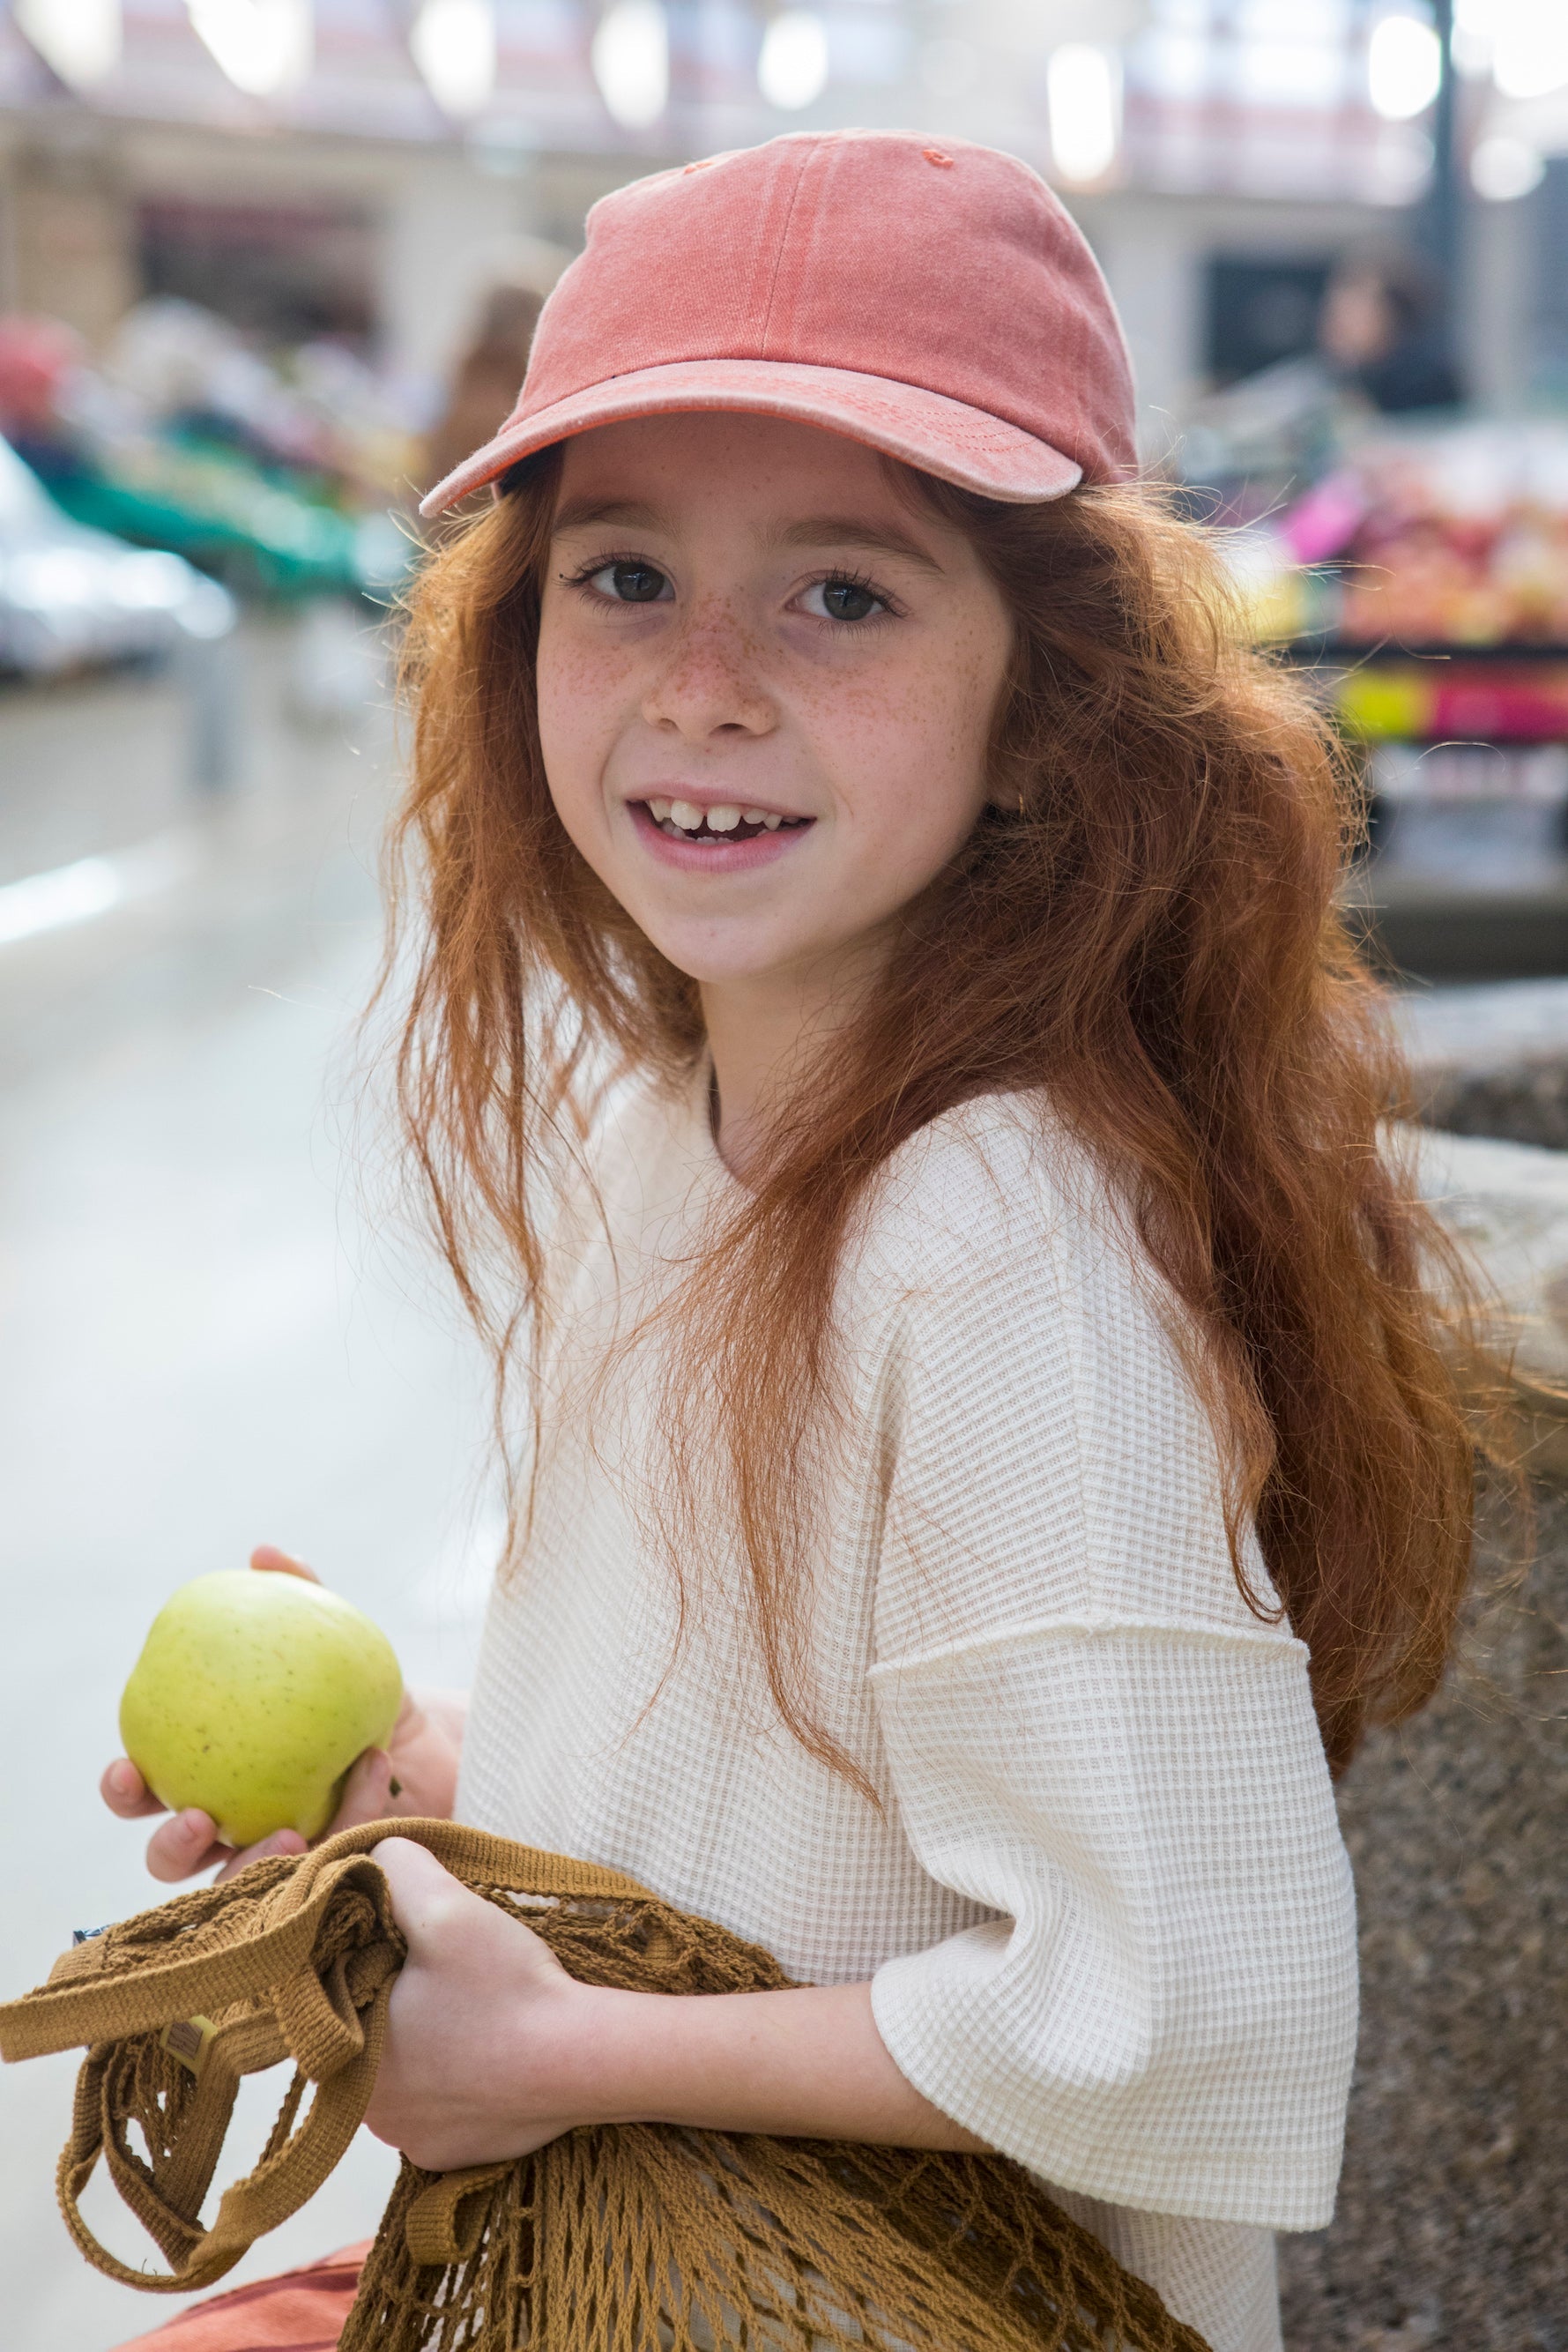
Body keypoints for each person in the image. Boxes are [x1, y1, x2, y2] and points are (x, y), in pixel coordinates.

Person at [101, 132, 1483, 2352]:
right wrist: (447, 1790)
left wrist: (566, 2049)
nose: (703, 682)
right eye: (622, 574)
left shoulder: (993, 1231)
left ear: (1046, 705)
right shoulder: (678, 1117)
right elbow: (831, 1808)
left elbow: (1189, 1997)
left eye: (840, 593)